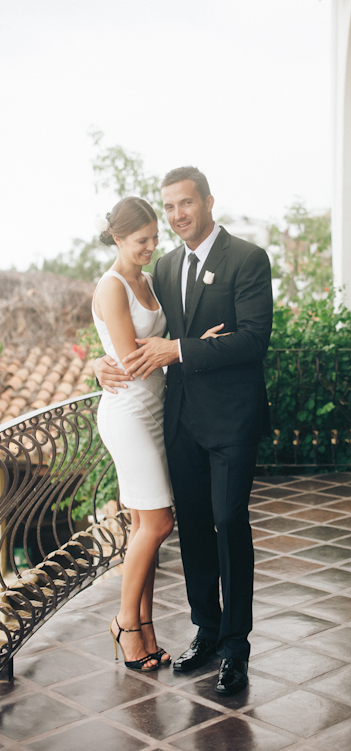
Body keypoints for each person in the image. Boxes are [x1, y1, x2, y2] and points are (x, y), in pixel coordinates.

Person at [95, 167, 273, 694]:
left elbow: (253, 341)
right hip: (178, 422)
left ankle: (236, 648)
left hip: (232, 422)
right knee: (192, 528)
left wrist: (182, 349)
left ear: (208, 202)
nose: (177, 216)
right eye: (169, 207)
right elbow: (124, 332)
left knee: (228, 523)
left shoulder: (247, 258)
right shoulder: (164, 268)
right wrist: (99, 366)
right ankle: (207, 630)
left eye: (186, 204)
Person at [93, 196, 222, 673]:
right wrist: (191, 347)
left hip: (156, 409)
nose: (151, 246)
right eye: (141, 239)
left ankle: (145, 625)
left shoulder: (147, 280)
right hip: (127, 413)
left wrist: (184, 346)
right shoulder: (111, 286)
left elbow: (154, 345)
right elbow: (130, 359)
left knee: (143, 525)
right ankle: (125, 623)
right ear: (118, 238)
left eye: (154, 237)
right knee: (160, 523)